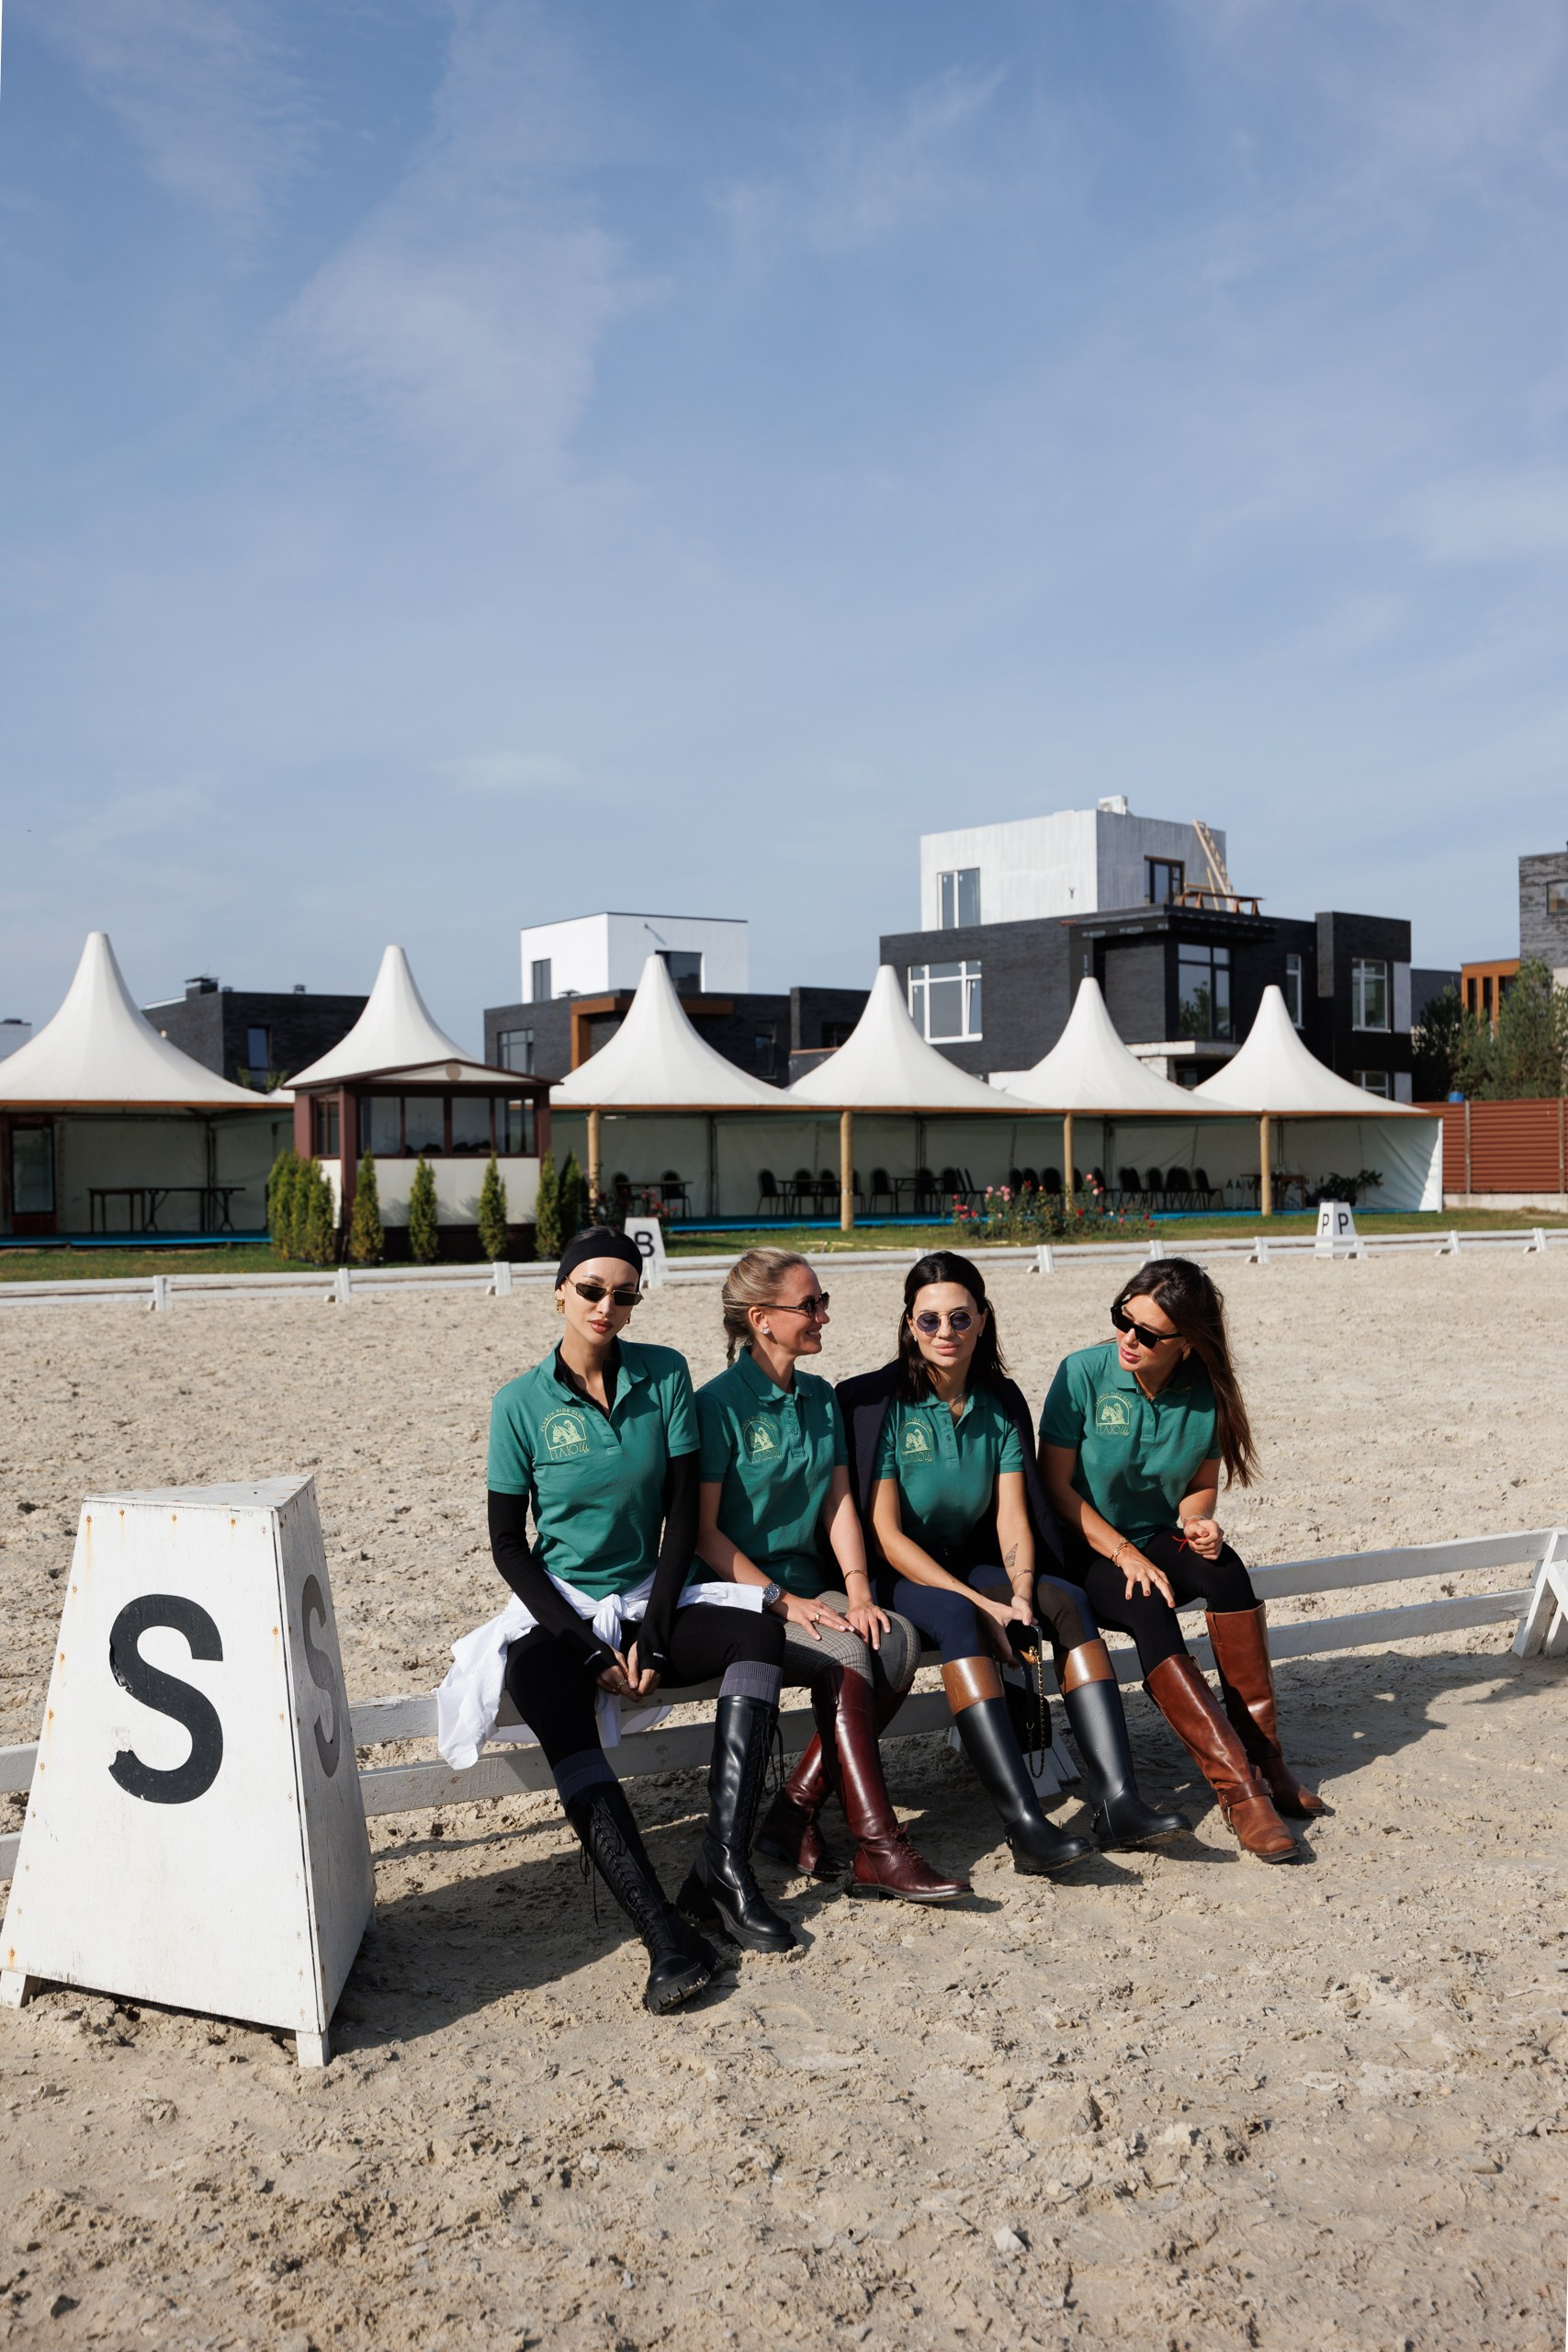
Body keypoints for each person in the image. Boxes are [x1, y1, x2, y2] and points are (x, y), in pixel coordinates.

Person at [486, 1227, 794, 2011]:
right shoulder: (518, 1403)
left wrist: (652, 1637)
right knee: (540, 1683)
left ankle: (722, 1866)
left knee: (757, 1632)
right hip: (565, 1608)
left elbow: (683, 1516)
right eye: (591, 1289)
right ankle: (662, 1933)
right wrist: (588, 1651)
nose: (606, 1306)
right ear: (560, 1291)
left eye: (623, 1294)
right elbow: (509, 1547)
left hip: (650, 1594)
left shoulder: (665, 1373)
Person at [840, 1250, 1187, 1877]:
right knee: (956, 1616)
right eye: (928, 1320)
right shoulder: (881, 1404)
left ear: (982, 1319)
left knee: (1066, 1601)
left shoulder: (998, 1401)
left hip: (968, 1560)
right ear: (909, 1324)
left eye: (959, 1317)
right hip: (899, 1573)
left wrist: (1021, 1592)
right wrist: (983, 1605)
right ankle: (1025, 1823)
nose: (945, 1332)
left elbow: (1011, 1518)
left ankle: (1117, 1802)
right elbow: (886, 1537)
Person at [694, 1249, 967, 1905]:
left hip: (810, 1580)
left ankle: (792, 1812)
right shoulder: (716, 1406)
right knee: (847, 1652)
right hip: (736, 1592)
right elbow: (703, 1534)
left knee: (894, 1639)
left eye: (822, 1302)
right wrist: (780, 1600)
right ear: (760, 1318)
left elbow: (839, 1501)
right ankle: (880, 1847)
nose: (823, 1316)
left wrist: (859, 1589)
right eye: (809, 1305)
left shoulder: (819, 1396)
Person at [1038, 1257, 1325, 1866]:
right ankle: (1240, 1792)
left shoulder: (1205, 1390)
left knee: (1228, 1573)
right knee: (1149, 1603)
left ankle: (1266, 1760)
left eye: (1147, 1333)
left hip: (1152, 1534)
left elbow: (1199, 1483)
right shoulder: (1082, 1373)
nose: (1127, 1338)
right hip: (1079, 1544)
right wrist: (1122, 1553)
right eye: (1122, 1319)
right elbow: (1054, 1488)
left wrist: (1199, 1522)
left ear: (1187, 1342)